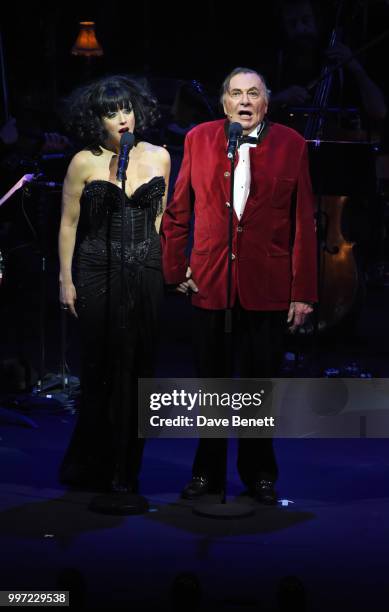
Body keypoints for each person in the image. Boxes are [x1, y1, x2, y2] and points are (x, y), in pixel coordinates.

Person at [161, 67, 317, 504]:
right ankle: (206, 473)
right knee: (210, 384)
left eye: (253, 94)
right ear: (224, 102)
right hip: (210, 281)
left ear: (266, 103)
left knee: (257, 385)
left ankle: (259, 474)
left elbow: (304, 222)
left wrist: (302, 290)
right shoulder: (199, 139)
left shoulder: (292, 145)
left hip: (266, 284)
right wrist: (174, 270)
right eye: (236, 93)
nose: (244, 101)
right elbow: (178, 211)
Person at [58, 74, 170, 492]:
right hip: (96, 268)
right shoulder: (83, 161)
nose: (122, 119)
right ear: (97, 120)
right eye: (111, 113)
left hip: (144, 270)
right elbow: (69, 224)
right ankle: (94, 463)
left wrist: (154, 262)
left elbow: (160, 217)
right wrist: (65, 279)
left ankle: (128, 468)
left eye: (126, 109)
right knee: (101, 368)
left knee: (139, 366)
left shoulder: (159, 156)